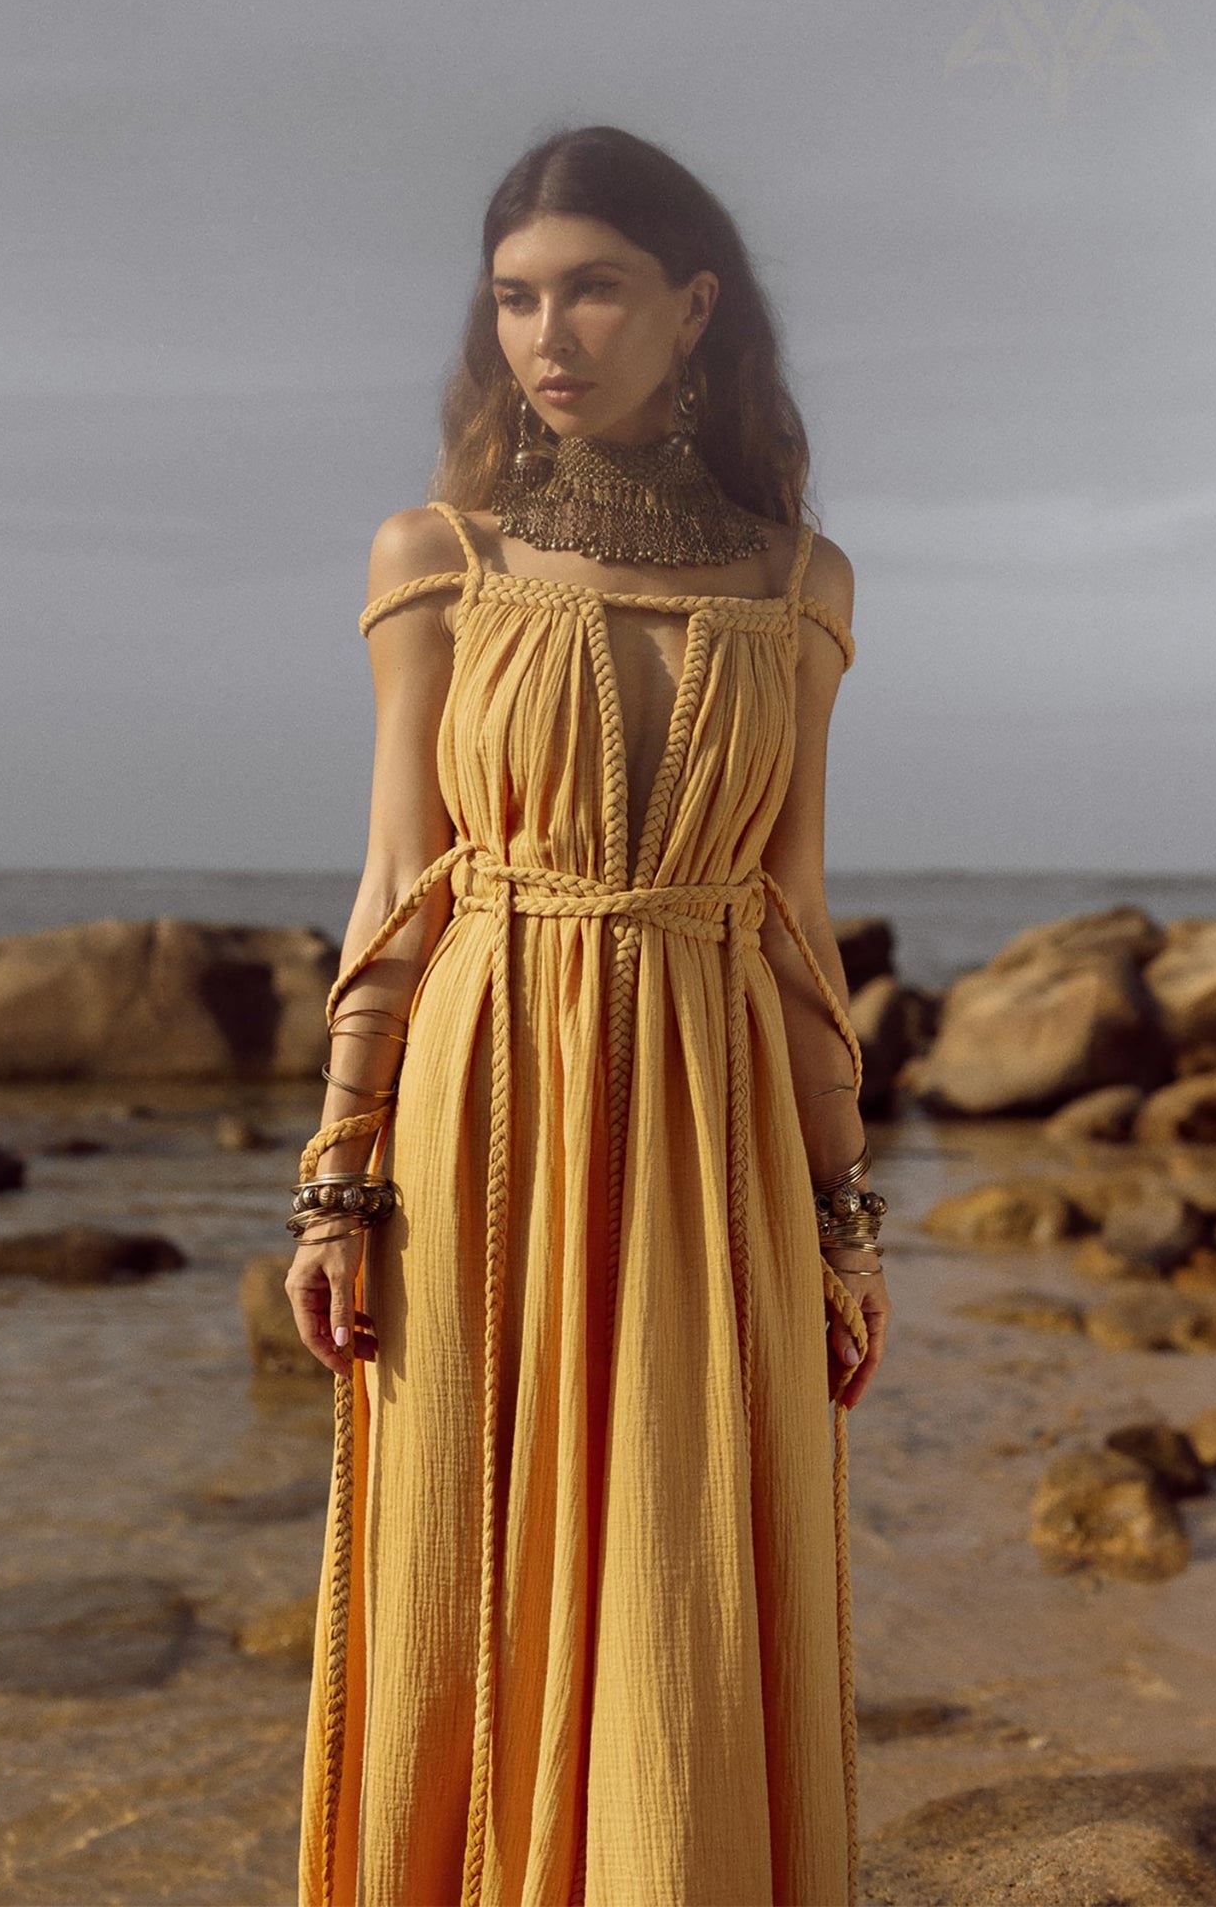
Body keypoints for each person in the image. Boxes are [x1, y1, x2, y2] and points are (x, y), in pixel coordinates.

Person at [286, 125, 891, 1907]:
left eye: (594, 290)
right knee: (457, 1553)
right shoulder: (438, 557)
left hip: (714, 1118)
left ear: (694, 308)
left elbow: (793, 918)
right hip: (480, 1103)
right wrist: (336, 1180)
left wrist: (844, 1219)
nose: (548, 336)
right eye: (515, 298)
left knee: (689, 1554)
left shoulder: (798, 583)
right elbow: (398, 881)